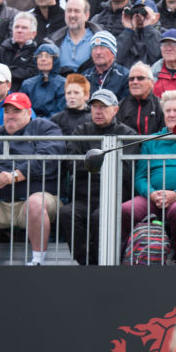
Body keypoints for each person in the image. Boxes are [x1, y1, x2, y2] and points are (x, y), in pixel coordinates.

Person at [0, 92, 66, 266]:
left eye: (16, 111)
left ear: (29, 113)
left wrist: (15, 175)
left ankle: (38, 262)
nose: (10, 116)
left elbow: (47, 158)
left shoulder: (45, 127)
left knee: (35, 203)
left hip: (36, 200)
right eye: (7, 111)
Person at [120, 90, 176, 264]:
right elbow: (140, 176)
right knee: (126, 210)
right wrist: (151, 193)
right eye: (168, 111)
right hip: (152, 197)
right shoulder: (151, 140)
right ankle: (129, 256)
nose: (171, 114)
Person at [61, 89, 137, 265]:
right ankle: (86, 262)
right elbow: (72, 164)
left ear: (115, 110)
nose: (97, 111)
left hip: (114, 198)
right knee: (66, 213)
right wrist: (103, 167)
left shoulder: (128, 135)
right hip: (84, 198)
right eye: (94, 106)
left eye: (103, 107)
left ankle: (103, 264)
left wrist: (89, 165)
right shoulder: (81, 131)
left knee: (100, 217)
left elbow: (124, 170)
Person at [0, 12, 39, 92]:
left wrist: (3, 71)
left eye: (24, 28)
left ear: (33, 34)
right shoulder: (0, 51)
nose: (19, 31)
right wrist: (16, 71)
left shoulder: (37, 53)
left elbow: (30, 74)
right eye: (17, 27)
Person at [49, 0, 103, 72]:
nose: (72, 15)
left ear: (86, 15)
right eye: (69, 11)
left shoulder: (99, 40)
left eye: (76, 11)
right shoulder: (53, 41)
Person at [114, 0, 165, 68]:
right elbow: (116, 60)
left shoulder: (164, 35)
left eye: (145, 13)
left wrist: (148, 28)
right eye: (136, 13)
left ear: (156, 17)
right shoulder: (128, 35)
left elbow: (158, 58)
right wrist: (128, 30)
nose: (140, 17)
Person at [117, 62, 165, 134]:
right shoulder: (119, 107)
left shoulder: (161, 107)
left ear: (151, 83)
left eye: (140, 78)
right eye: (131, 79)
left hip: (152, 145)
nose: (135, 82)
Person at [20, 44, 67, 118]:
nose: (43, 59)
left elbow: (60, 112)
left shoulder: (64, 84)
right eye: (39, 56)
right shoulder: (27, 84)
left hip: (53, 126)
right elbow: (22, 109)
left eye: (48, 56)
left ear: (55, 60)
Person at [82, 31, 131, 98]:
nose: (98, 52)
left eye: (102, 47)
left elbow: (125, 105)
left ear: (113, 52)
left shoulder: (125, 76)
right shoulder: (84, 77)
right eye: (94, 48)